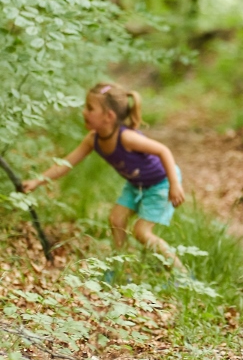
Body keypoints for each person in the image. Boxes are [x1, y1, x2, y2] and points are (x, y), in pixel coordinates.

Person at [22, 83, 187, 273]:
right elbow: (65, 164)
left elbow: (163, 150)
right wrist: (37, 181)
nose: (84, 112)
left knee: (141, 231)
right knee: (116, 219)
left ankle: (181, 274)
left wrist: (174, 184)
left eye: (90, 108)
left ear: (109, 116)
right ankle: (120, 269)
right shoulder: (93, 139)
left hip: (161, 182)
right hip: (136, 184)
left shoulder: (127, 138)